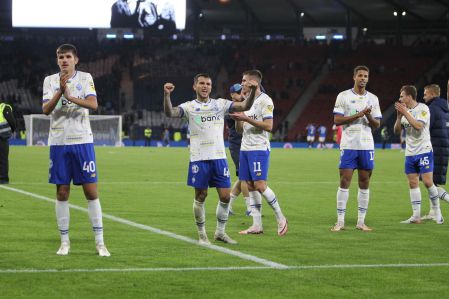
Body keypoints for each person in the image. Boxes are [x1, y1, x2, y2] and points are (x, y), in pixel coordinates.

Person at [163, 73, 257, 245]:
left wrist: (253, 90)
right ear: (195, 86)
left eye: (208, 84)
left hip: (219, 158)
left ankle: (220, 233)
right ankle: (202, 235)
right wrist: (167, 95)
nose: (205, 86)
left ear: (211, 87)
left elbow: (244, 105)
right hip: (199, 158)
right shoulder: (189, 107)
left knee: (225, 197)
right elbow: (170, 112)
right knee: (201, 195)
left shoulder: (220, 104)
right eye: (201, 83)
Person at [42, 44, 110, 257]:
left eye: (68, 57)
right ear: (57, 60)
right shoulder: (50, 80)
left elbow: (93, 104)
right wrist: (60, 93)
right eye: (61, 57)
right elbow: (45, 109)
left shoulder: (85, 78)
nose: (64, 60)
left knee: (90, 191)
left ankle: (100, 243)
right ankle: (64, 242)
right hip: (59, 142)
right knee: (62, 192)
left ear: (75, 60)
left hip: (82, 141)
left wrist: (69, 96)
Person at [231, 69, 288, 236]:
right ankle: (257, 225)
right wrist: (238, 120)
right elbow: (240, 129)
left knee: (260, 185)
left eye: (244, 80)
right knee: (248, 185)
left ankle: (281, 218)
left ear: (253, 82)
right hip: (245, 148)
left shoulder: (265, 101)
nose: (241, 83)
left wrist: (246, 118)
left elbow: (269, 126)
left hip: (259, 148)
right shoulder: (246, 101)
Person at [331, 65, 382, 232]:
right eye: (360, 75)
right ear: (354, 77)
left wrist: (367, 114)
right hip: (349, 144)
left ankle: (361, 222)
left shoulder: (373, 99)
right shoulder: (343, 96)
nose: (363, 79)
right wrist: (358, 115)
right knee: (344, 180)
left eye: (366, 76)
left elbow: (376, 125)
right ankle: (340, 221)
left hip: (366, 145)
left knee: (364, 181)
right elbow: (337, 120)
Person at [393, 85, 443, 224]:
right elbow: (397, 131)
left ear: (409, 96)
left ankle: (437, 212)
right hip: (410, 153)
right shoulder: (404, 112)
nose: (400, 98)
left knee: (427, 182)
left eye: (402, 96)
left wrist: (405, 113)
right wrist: (398, 117)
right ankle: (416, 216)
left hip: (424, 150)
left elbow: (418, 126)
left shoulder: (423, 108)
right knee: (413, 182)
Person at [421, 84, 449, 221]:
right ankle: (433, 211)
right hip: (443, 148)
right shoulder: (445, 108)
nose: (423, 96)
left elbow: (424, 129)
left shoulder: (431, 109)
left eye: (425, 94)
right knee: (433, 182)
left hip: (433, 149)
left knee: (428, 181)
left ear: (432, 94)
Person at [226, 83, 251, 216]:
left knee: (243, 177)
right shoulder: (230, 108)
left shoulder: (244, 106)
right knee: (244, 177)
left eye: (241, 91)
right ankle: (250, 208)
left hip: (245, 144)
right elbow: (240, 125)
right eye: (237, 92)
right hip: (236, 146)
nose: (241, 93)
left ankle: (227, 205)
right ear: (231, 94)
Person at [0, 102, 16, 184]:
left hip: (2, 137)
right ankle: (3, 179)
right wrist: (11, 131)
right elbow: (12, 122)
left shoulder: (3, 107)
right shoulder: (4, 107)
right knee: (3, 159)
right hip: (2, 137)